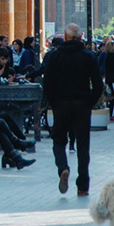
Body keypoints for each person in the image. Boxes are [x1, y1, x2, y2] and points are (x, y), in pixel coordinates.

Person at [43, 24, 102, 195]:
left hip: (61, 103)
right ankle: (83, 186)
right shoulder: (88, 56)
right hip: (82, 104)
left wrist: (54, 102)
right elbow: (98, 85)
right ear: (80, 38)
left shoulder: (54, 56)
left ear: (66, 37)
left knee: (59, 140)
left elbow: (48, 84)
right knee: (83, 145)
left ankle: (63, 168)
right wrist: (89, 102)